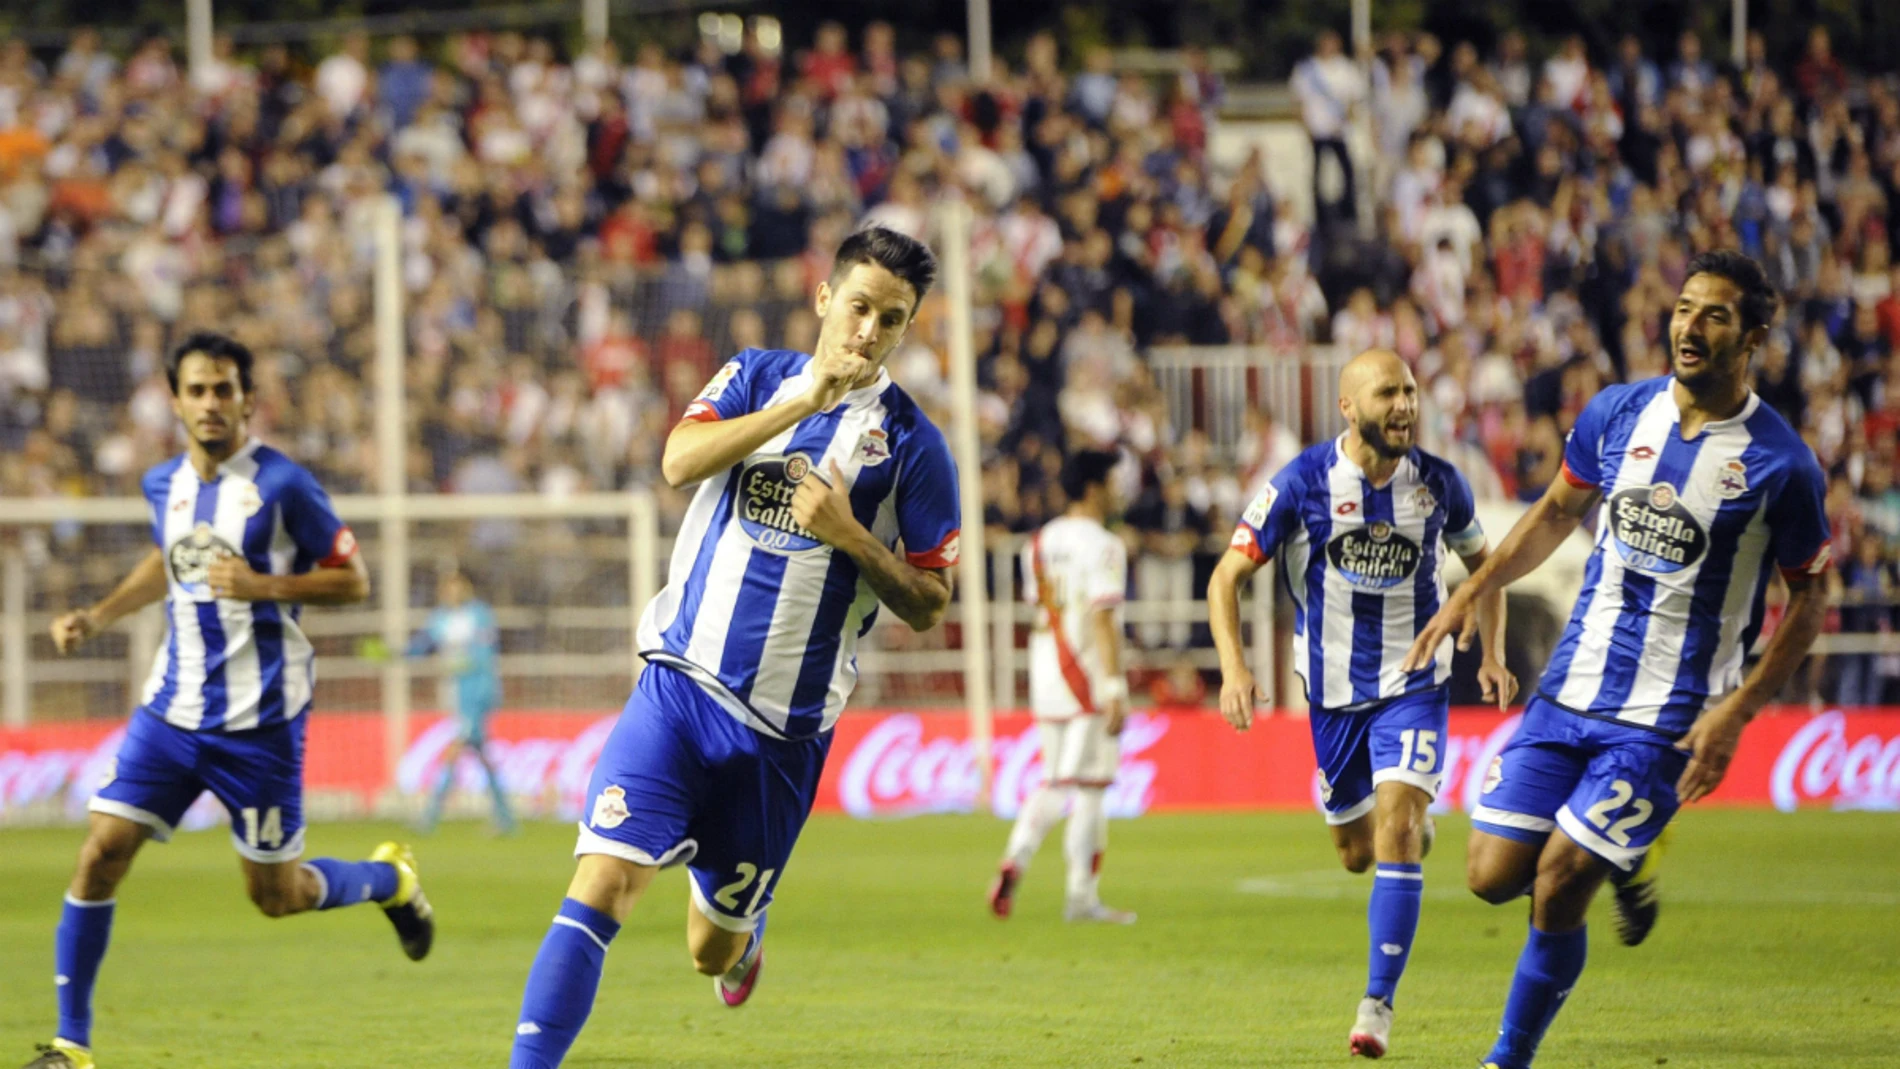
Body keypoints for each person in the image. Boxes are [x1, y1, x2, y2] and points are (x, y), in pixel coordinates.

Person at [508, 227, 960, 1069]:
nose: (868, 331)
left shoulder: (914, 447)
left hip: (782, 738)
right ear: (825, 298)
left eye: (890, 320)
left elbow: (933, 600)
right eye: (859, 307)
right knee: (600, 885)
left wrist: (853, 538)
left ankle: (743, 938)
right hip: (678, 687)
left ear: (907, 328)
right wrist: (801, 404)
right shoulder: (756, 375)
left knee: (709, 950)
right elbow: (678, 461)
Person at [1401, 251, 1831, 1069]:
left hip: (1670, 713)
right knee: (1492, 875)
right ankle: (1623, 863)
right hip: (1570, 690)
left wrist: (1736, 712)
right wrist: (1472, 586)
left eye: (1714, 315)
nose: (1690, 327)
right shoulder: (1618, 412)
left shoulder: (1783, 464)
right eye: (1683, 308)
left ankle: (1507, 1056)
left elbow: (1811, 596)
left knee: (1560, 878)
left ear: (1754, 338)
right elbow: (1556, 512)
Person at [24, 332, 433, 1069]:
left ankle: (389, 878)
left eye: (224, 389)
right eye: (197, 390)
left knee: (277, 894)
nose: (211, 403)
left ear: (248, 399)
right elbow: (168, 555)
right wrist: (100, 613)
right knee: (100, 852)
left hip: (260, 725)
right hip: (171, 714)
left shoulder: (283, 486)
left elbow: (354, 579)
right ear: (175, 400)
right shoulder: (163, 485)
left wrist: (264, 585)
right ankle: (70, 1045)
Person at [1207, 349, 1515, 1060]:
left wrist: (1492, 652)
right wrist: (1232, 666)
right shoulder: (1301, 482)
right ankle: (1392, 818)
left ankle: (1377, 1002)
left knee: (1398, 828)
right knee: (1355, 852)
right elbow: (1225, 577)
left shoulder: (1439, 484)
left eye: (1409, 391)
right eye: (1387, 394)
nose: (1405, 405)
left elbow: (1488, 568)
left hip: (1414, 682)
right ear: (1348, 407)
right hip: (1332, 694)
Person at [987, 449, 1136, 925]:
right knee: (1068, 783)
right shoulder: (1105, 544)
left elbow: (1039, 607)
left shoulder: (1040, 540)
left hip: (1046, 673)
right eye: (1112, 482)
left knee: (1089, 786)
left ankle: (1082, 898)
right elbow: (1103, 618)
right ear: (1094, 488)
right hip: (1085, 676)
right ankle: (1018, 858)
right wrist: (1113, 686)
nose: (1117, 491)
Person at [411, 566, 516, 835]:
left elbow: (485, 654)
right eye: (448, 587)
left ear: (467, 588)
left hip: (479, 690)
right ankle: (506, 818)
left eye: (458, 586)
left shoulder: (479, 615)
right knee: (482, 756)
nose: (453, 591)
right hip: (457, 692)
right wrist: (395, 653)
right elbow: (422, 645)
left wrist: (464, 663)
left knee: (454, 751)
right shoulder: (440, 618)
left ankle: (430, 816)